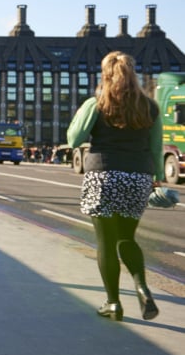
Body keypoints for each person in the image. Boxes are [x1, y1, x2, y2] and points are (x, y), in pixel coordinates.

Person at [66, 51, 164, 321]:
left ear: (105, 74)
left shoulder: (96, 104)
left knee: (106, 243)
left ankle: (113, 303)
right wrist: (156, 179)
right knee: (126, 238)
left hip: (104, 177)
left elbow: (74, 138)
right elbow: (155, 148)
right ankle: (142, 286)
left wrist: (84, 114)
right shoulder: (151, 107)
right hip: (138, 177)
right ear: (133, 75)